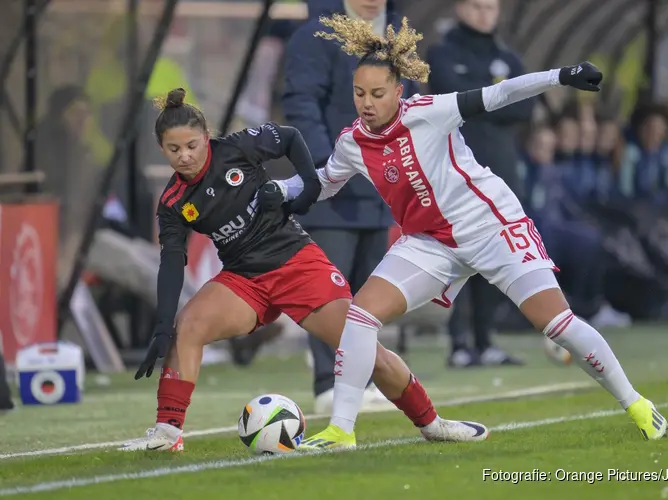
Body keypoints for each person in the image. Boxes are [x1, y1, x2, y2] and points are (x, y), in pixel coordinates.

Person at [274, 14, 668, 450]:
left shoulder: (429, 113)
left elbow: (500, 94)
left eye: (377, 94)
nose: (366, 103)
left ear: (399, 92)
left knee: (556, 324)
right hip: (430, 244)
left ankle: (635, 403)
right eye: (359, 93)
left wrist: (561, 76)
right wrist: (270, 190)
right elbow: (322, 182)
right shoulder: (352, 142)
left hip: (491, 228)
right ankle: (341, 431)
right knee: (361, 316)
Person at [119, 88, 488, 452]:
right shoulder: (173, 202)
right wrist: (162, 325)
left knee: (366, 353)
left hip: (298, 265)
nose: (185, 156)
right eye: (174, 149)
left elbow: (290, 137)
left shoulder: (236, 148)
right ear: (161, 149)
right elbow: (171, 261)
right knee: (188, 327)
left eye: (192, 145)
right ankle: (167, 433)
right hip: (244, 278)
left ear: (206, 138)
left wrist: (310, 183)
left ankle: (431, 423)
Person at [283, 0, 418, 414]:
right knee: (329, 291)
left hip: (383, 190)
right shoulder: (315, 35)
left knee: (366, 296)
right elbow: (301, 104)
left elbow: (415, 102)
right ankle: (328, 383)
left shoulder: (400, 37)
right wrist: (331, 167)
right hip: (333, 193)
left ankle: (357, 381)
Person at [427, 0, 531, 367]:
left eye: (491, 7)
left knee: (498, 253)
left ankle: (486, 339)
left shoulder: (508, 57)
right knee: (456, 252)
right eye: (476, 5)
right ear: (459, 7)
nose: (484, 13)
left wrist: (478, 97)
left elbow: (525, 107)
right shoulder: (441, 53)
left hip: (501, 170)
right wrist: (493, 93)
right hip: (455, 170)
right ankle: (458, 341)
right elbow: (448, 95)